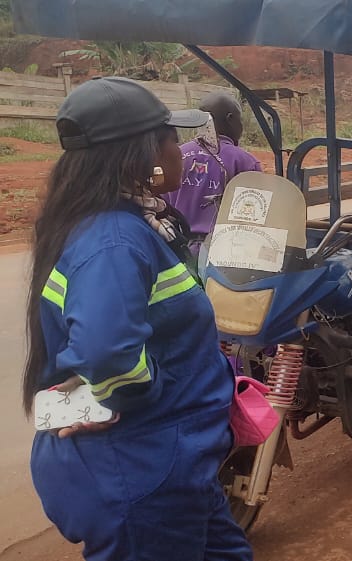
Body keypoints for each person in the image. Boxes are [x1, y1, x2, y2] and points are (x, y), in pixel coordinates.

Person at [22, 77, 253, 561]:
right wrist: (123, 396)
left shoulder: (128, 224)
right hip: (145, 468)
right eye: (172, 138)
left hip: (174, 464)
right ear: (142, 154)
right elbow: (107, 352)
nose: (181, 151)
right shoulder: (115, 240)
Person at [162, 91, 262, 262]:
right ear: (230, 118)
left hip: (178, 251)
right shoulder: (245, 161)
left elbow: (161, 205)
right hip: (224, 255)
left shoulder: (176, 154)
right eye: (239, 120)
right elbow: (256, 216)